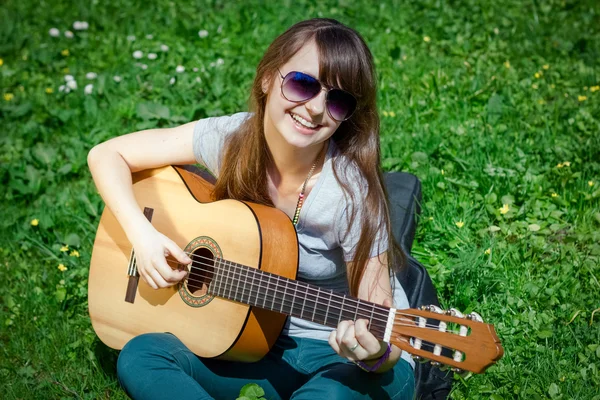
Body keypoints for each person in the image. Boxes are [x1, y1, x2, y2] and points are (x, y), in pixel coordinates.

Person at [88, 18, 415, 400]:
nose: (314, 109)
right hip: (250, 342)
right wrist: (142, 236)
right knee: (141, 355)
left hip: (337, 361)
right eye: (302, 84)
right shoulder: (233, 140)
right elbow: (108, 153)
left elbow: (384, 329)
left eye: (337, 100)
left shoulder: (351, 194)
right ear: (266, 79)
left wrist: (374, 353)